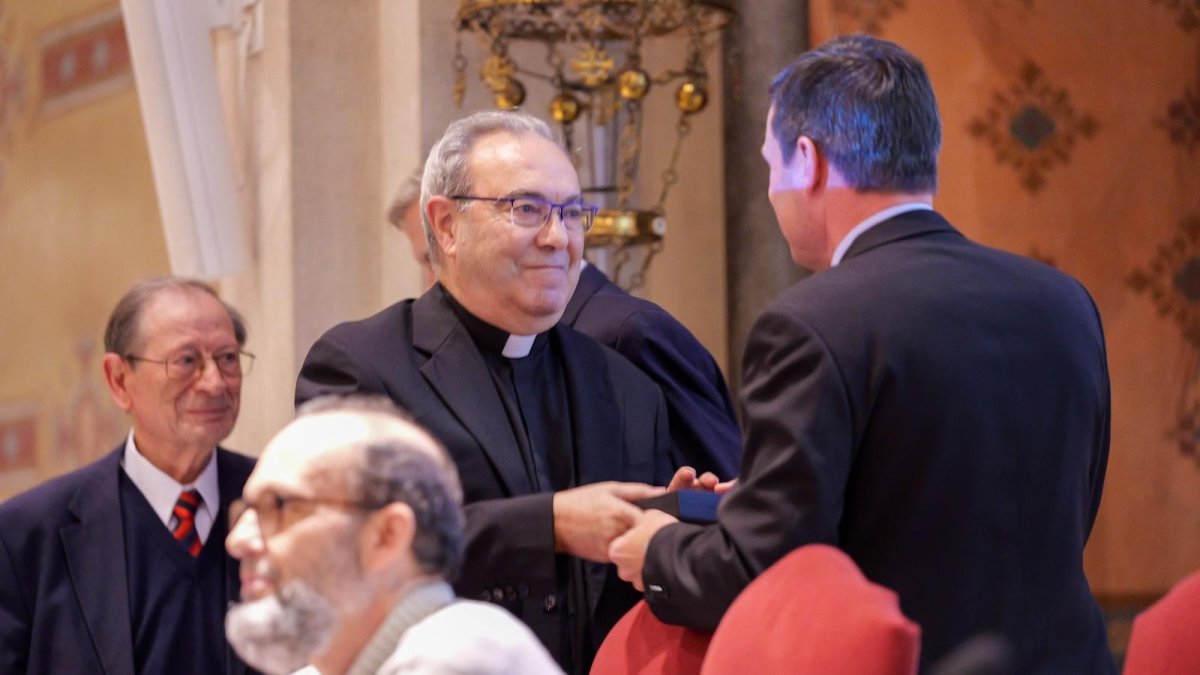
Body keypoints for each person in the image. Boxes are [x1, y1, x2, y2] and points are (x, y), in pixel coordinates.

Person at [610, 34, 1114, 674]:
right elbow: (1029, 505)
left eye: (770, 165)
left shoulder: (809, 323)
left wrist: (660, 551)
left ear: (807, 160)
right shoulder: (1065, 301)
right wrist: (767, 495)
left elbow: (760, 572)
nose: (771, 191)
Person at [298, 110, 690, 673]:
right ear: (447, 225)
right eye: (526, 208)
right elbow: (352, 548)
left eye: (573, 213)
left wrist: (668, 523)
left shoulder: (627, 388)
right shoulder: (363, 365)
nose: (559, 238)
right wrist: (550, 525)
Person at [389, 168, 742, 478]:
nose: (434, 278)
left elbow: (721, 489)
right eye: (428, 259)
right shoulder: (502, 342)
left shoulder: (628, 333)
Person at [0, 276, 258, 674]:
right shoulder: (28, 536)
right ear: (120, 380)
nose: (214, 382)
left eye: (227, 358)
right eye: (186, 361)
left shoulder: (282, 505)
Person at [225, 394, 561, 675]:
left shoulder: (460, 654)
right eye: (247, 511)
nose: (238, 540)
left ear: (386, 535)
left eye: (279, 506)